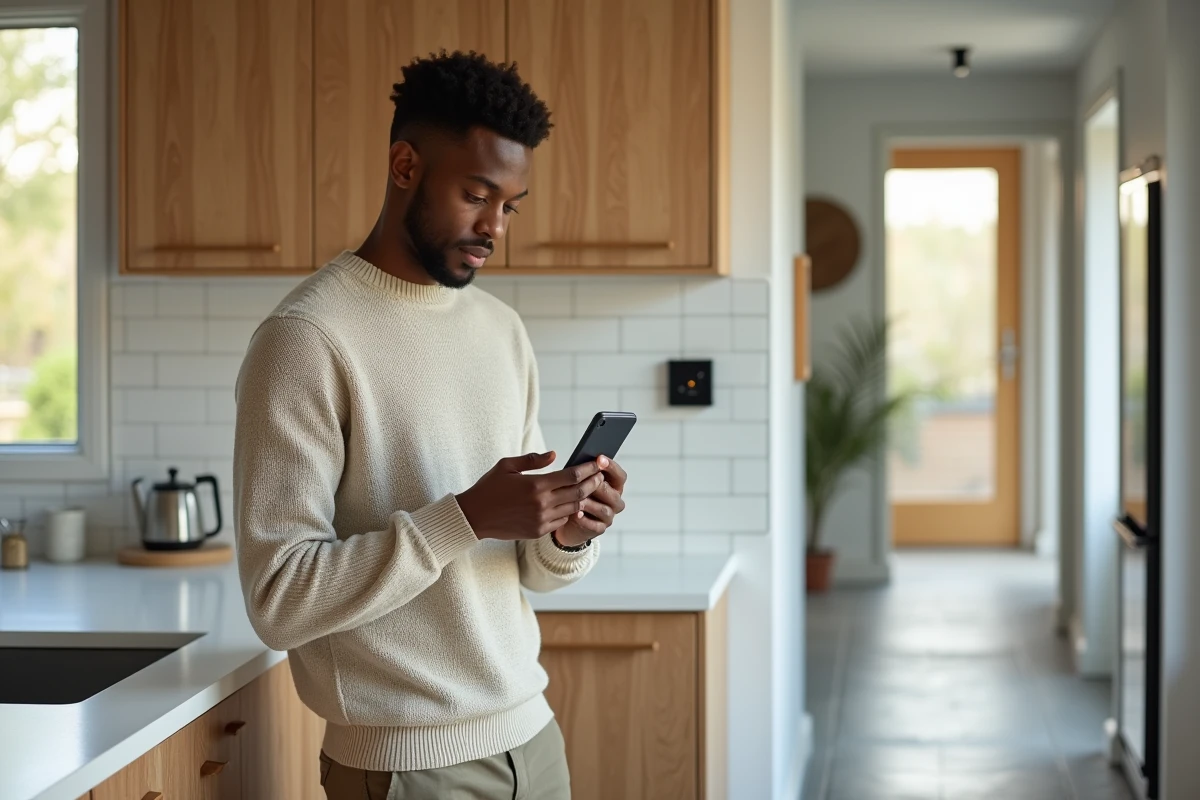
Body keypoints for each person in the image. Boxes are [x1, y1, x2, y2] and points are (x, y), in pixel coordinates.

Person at [232, 50, 627, 799]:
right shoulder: (307, 339)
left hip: (533, 739)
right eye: (477, 195)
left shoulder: (501, 329)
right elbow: (280, 600)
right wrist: (466, 518)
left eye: (510, 205)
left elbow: (529, 571)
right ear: (405, 165)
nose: (494, 227)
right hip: (404, 767)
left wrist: (568, 533)